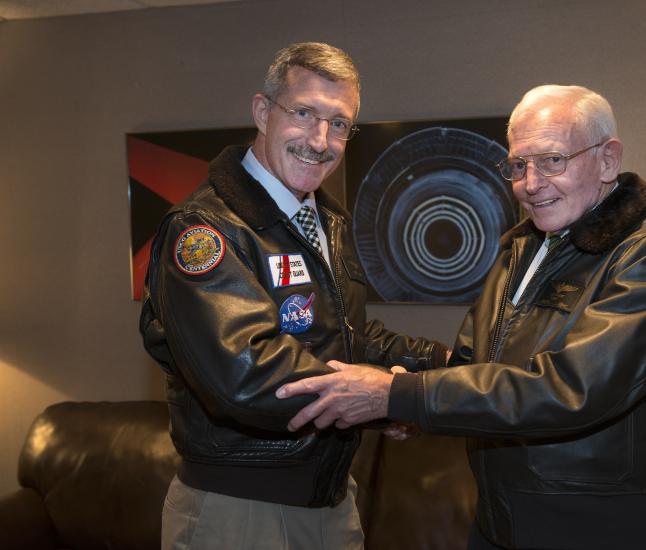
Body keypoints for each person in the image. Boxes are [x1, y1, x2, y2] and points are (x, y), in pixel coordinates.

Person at [276, 84, 646, 549]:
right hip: (498, 522)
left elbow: (570, 389)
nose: (531, 183)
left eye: (553, 160)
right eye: (518, 165)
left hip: (594, 528)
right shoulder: (522, 249)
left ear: (608, 160)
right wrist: (405, 401)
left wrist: (399, 395)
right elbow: (475, 366)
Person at [139, 42, 448, 550]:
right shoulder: (204, 230)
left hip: (330, 501)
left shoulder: (326, 220)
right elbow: (248, 371)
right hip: (242, 514)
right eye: (304, 113)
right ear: (263, 112)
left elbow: (345, 338)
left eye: (340, 123)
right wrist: (387, 400)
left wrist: (443, 365)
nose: (320, 139)